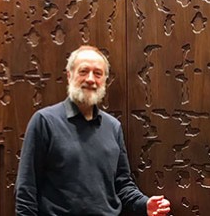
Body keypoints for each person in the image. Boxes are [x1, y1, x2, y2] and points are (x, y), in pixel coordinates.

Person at [15, 45, 171, 216]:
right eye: (83, 71)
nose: (90, 79)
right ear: (69, 75)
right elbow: (26, 190)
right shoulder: (44, 121)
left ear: (104, 80)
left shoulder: (113, 127)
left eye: (98, 73)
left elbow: (123, 185)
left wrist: (145, 204)